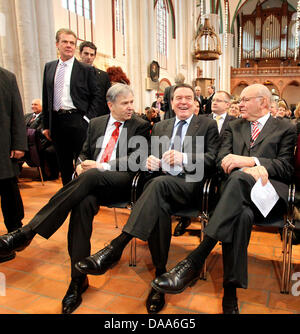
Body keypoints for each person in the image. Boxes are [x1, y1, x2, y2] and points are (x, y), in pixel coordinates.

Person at [0, 84, 151, 314]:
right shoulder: (97, 123)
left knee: (89, 178)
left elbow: (136, 160)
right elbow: (83, 152)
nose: (131, 107)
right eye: (125, 103)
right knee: (81, 204)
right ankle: (77, 279)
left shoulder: (140, 125)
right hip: (89, 182)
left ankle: (28, 231)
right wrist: (81, 165)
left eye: (132, 102)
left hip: (120, 182)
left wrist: (99, 166)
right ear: (110, 105)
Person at [74, 83, 220, 314]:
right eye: (178, 98)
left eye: (188, 98)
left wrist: (183, 157)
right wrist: (151, 162)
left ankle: (117, 245)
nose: (183, 102)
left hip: (191, 185)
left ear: (195, 103)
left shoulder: (207, 125)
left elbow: (212, 160)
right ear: (171, 103)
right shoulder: (161, 126)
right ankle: (160, 279)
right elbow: (148, 157)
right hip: (160, 185)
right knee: (157, 198)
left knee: (156, 186)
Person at [151, 84, 296, 314]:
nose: (240, 104)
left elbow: (286, 167)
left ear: (264, 103)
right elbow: (219, 160)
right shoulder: (234, 126)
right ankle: (230, 293)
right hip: (235, 200)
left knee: (239, 178)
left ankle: (197, 257)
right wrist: (241, 168)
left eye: (246, 100)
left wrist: (252, 163)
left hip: (266, 196)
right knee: (240, 215)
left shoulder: (285, 128)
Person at [42, 28, 101, 186]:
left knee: (82, 163)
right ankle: (67, 194)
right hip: (57, 122)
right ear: (57, 44)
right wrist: (45, 125)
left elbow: (96, 97)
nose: (68, 45)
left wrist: (87, 119)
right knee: (63, 163)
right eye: (65, 42)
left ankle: (83, 194)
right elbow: (46, 96)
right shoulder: (49, 67)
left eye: (72, 43)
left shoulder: (86, 69)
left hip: (78, 120)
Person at [174, 91, 235, 237]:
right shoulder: (199, 120)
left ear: (227, 104)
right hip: (200, 163)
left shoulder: (234, 122)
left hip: (222, 164)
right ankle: (185, 218)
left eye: (219, 100)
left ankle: (216, 222)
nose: (214, 102)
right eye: (213, 100)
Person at [0, 67, 27, 263]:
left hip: (3, 147)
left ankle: (14, 233)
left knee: (8, 190)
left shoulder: (7, 77)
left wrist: (19, 144)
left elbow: (17, 113)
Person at [24, 99, 59, 180]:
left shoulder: (46, 117)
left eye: (35, 104)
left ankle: (47, 174)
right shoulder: (27, 116)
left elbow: (40, 130)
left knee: (44, 151)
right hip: (28, 141)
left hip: (43, 141)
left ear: (42, 106)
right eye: (32, 104)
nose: (33, 106)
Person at [79, 41, 111, 116]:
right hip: (79, 119)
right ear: (80, 54)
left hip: (98, 119)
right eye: (86, 54)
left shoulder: (104, 76)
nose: (89, 57)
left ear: (95, 56)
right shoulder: (72, 73)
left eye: (92, 54)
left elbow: (108, 99)